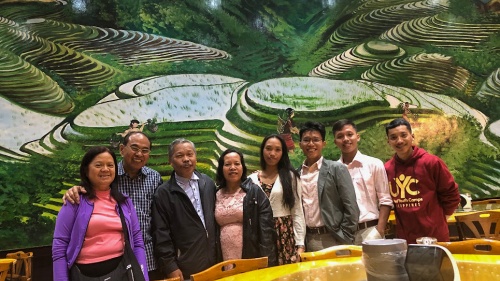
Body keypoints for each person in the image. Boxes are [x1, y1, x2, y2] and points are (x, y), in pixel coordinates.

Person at [63, 132, 163, 279]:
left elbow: (159, 219)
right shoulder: (108, 175)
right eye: (134, 148)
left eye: (145, 150)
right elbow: (89, 190)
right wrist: (74, 189)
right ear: (122, 149)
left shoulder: (155, 178)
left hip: (148, 257)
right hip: (116, 261)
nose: (139, 154)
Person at [385, 118, 460, 243]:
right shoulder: (387, 168)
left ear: (412, 136)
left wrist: (439, 219)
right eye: (393, 137)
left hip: (435, 237)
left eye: (404, 135)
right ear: (388, 141)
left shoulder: (431, 162)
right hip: (405, 239)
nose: (399, 141)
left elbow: (451, 194)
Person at [151, 138, 217, 281]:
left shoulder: (208, 183)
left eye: (190, 154)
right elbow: (161, 234)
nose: (186, 159)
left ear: (196, 157)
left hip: (214, 260)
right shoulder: (163, 193)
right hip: (186, 264)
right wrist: (170, 266)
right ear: (170, 161)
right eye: (179, 156)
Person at [298, 121, 359, 251]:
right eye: (306, 140)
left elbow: (351, 207)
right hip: (307, 240)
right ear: (300, 144)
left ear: (323, 143)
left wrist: (344, 236)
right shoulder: (296, 174)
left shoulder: (337, 169)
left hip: (334, 238)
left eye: (316, 140)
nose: (311, 144)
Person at [332, 119, 393, 245]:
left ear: (357, 137)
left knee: (374, 265)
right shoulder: (333, 170)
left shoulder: (374, 164)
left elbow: (385, 200)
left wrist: (379, 231)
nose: (345, 139)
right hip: (345, 233)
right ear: (335, 142)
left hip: (371, 230)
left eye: (349, 134)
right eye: (340, 136)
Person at [248, 134, 306, 264]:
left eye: (277, 150)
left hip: (285, 234)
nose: (272, 153)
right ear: (262, 150)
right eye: (268, 148)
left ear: (283, 153)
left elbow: (297, 212)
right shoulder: (251, 180)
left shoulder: (291, 177)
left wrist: (300, 245)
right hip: (260, 235)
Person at [215, 148, 277, 266]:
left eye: (237, 164)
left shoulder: (254, 192)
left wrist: (268, 260)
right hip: (222, 258)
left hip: (250, 254)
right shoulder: (215, 194)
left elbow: (266, 231)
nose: (232, 167)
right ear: (221, 169)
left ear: (242, 167)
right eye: (227, 164)